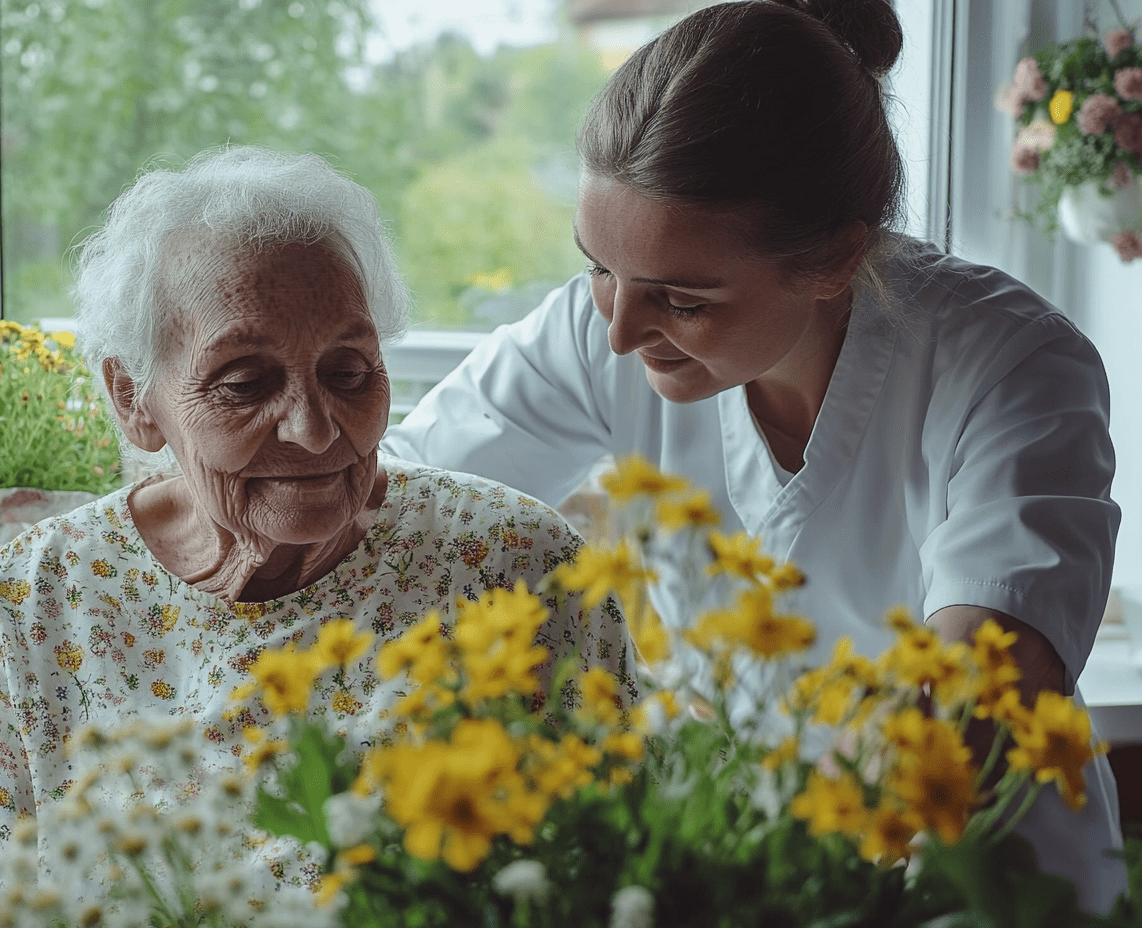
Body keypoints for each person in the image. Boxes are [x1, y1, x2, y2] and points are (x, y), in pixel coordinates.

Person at [381, 0, 1127, 913]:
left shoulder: (1008, 366)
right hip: (736, 874)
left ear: (833, 259)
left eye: (683, 300)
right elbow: (396, 506)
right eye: (598, 267)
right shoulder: (599, 330)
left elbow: (976, 699)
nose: (619, 332)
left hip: (977, 884)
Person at [0, 146, 635, 891]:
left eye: (348, 372)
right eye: (246, 381)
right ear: (133, 399)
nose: (315, 429)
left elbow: (632, 872)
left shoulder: (517, 567)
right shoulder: (36, 600)